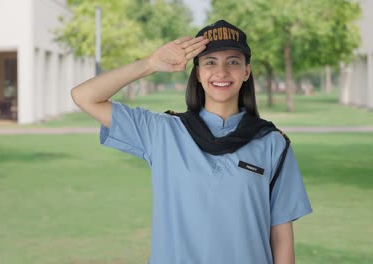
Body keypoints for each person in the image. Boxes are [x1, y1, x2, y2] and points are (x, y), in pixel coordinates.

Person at [71, 20, 312, 264]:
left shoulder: (272, 143)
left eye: (233, 62)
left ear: (246, 71)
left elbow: (281, 237)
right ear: (198, 73)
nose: (222, 72)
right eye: (210, 62)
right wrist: (149, 65)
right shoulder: (162, 132)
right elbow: (84, 97)